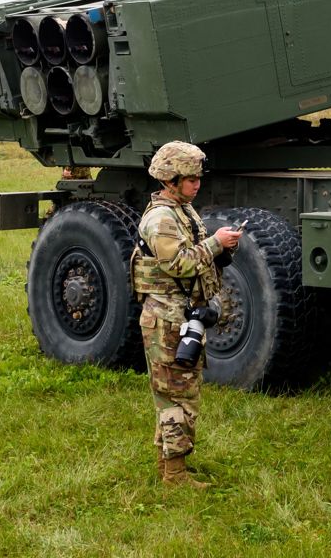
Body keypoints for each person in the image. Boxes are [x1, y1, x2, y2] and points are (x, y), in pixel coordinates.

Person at [132, 141, 240, 487]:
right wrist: (216, 244)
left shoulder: (183, 210)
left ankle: (169, 467)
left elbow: (196, 254)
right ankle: (175, 476)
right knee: (177, 396)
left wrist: (221, 252)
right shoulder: (162, 218)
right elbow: (178, 263)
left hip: (181, 314)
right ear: (170, 180)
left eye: (197, 178)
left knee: (177, 392)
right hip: (167, 318)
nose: (197, 185)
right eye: (190, 179)